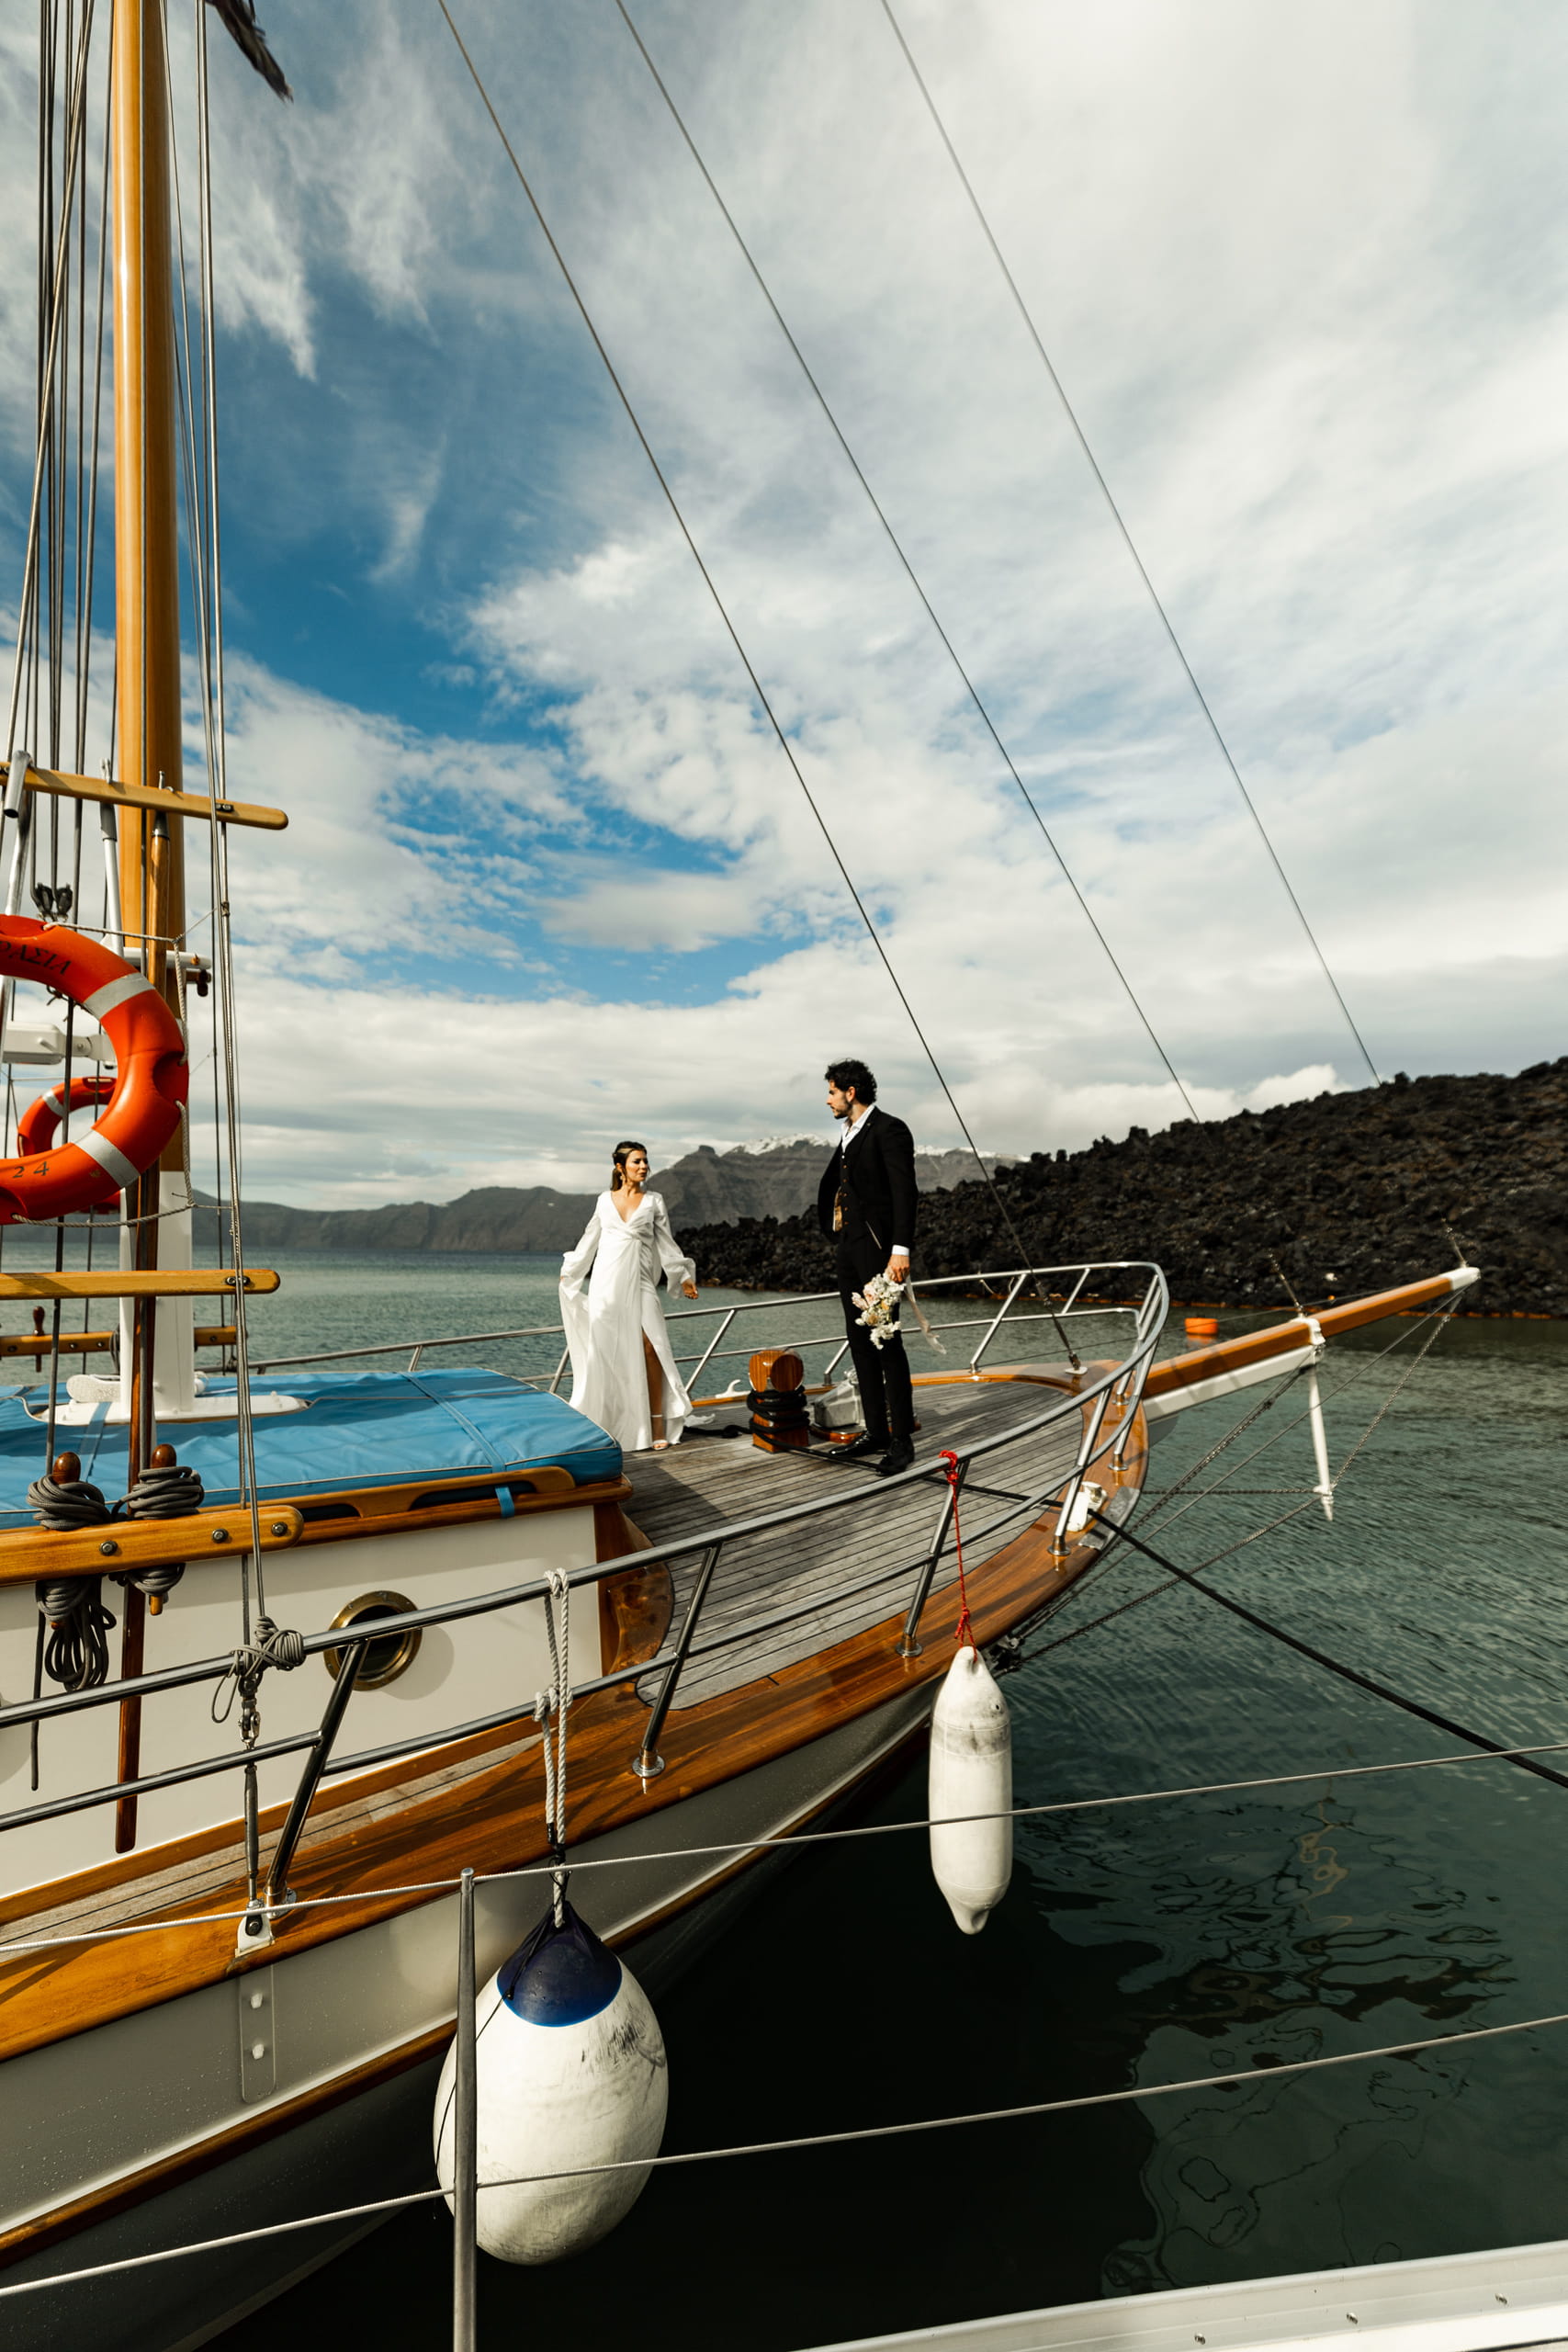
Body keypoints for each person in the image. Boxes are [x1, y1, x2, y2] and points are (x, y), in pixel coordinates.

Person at [560, 1141, 700, 1453]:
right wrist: (571, 1270)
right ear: (620, 1167)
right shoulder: (604, 1201)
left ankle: (657, 1423)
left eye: (646, 1161)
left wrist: (683, 1275)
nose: (644, 1166)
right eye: (637, 1161)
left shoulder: (654, 1201)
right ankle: (611, 1421)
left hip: (640, 1283)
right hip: (606, 1284)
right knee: (607, 1351)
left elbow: (666, 1244)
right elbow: (590, 1239)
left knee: (652, 1347)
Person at [817, 1059, 917, 1476]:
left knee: (886, 1342)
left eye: (831, 1092)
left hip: (879, 1254)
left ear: (850, 1092)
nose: (827, 1100)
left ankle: (901, 1440)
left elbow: (904, 1192)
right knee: (859, 1341)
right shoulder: (848, 1132)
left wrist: (901, 1250)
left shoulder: (889, 1129)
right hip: (849, 1251)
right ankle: (875, 1431)